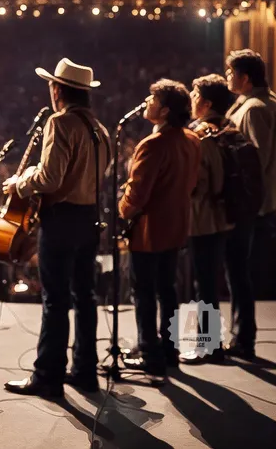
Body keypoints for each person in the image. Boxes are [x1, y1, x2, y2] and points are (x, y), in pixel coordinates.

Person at [2, 58, 111, 398]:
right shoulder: (100, 129)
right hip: (89, 217)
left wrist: (20, 183)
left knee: (56, 299)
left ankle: (48, 376)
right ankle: (85, 371)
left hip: (62, 219)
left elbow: (50, 178)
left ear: (58, 89)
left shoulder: (61, 123)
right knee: (85, 296)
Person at [119, 80, 201, 376]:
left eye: (152, 99)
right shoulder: (192, 140)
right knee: (168, 289)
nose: (146, 101)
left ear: (164, 111)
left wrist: (122, 208)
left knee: (143, 291)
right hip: (177, 225)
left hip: (149, 229)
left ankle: (149, 352)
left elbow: (137, 195)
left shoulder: (152, 145)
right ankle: (169, 349)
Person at [224, 49, 276, 358]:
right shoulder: (275, 105)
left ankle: (242, 338)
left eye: (230, 72)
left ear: (245, 78)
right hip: (268, 201)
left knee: (237, 273)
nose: (227, 77)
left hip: (249, 205)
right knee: (242, 271)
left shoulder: (252, 110)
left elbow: (252, 164)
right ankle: (240, 336)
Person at [181, 74, 236, 365]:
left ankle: (206, 345)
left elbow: (200, 181)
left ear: (206, 102)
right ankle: (210, 343)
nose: (191, 97)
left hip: (202, 215)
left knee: (203, 282)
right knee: (209, 281)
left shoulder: (201, 134)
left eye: (194, 93)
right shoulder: (230, 128)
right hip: (223, 215)